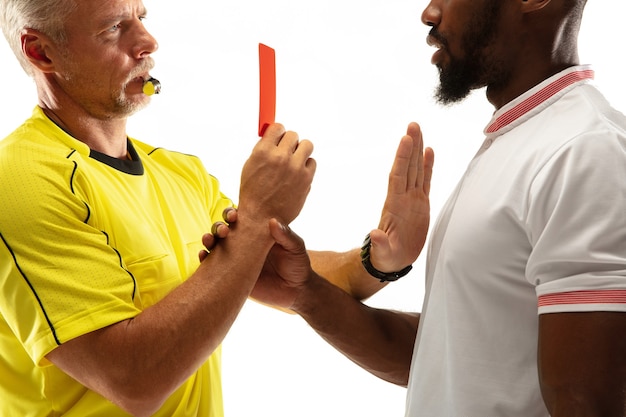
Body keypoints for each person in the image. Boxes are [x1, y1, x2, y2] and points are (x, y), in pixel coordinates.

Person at [0, 0, 425, 416]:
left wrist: (377, 261)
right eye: (113, 27)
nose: (147, 41)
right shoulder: (18, 180)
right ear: (41, 51)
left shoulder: (180, 173)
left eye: (141, 17)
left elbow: (278, 277)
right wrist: (257, 216)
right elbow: (133, 383)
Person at [247, 0, 626, 416]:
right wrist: (305, 292)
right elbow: (450, 356)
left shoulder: (583, 150)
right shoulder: (530, 136)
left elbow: (586, 402)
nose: (429, 13)